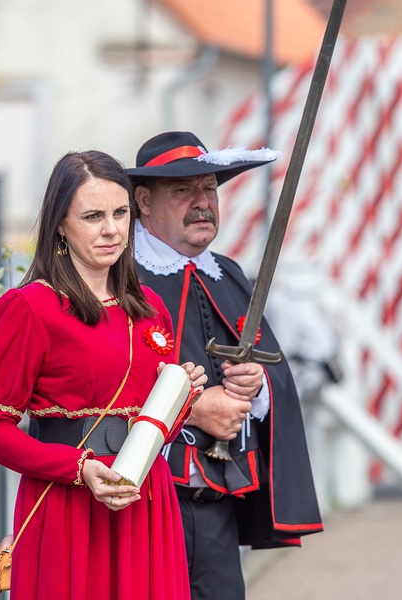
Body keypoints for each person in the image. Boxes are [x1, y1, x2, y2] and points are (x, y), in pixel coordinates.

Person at [0, 150, 207, 600]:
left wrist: (180, 399)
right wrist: (79, 468)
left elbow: (159, 429)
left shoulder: (150, 308)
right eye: (93, 216)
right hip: (68, 502)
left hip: (145, 500)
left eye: (120, 213)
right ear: (60, 223)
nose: (111, 230)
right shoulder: (29, 308)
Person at [127, 131, 323, 600]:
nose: (202, 203)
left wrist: (256, 387)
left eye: (209, 189)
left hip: (215, 502)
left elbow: (272, 369)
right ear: (143, 201)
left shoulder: (227, 274)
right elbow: (98, 379)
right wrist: (193, 406)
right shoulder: (120, 277)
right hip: (140, 500)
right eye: (183, 190)